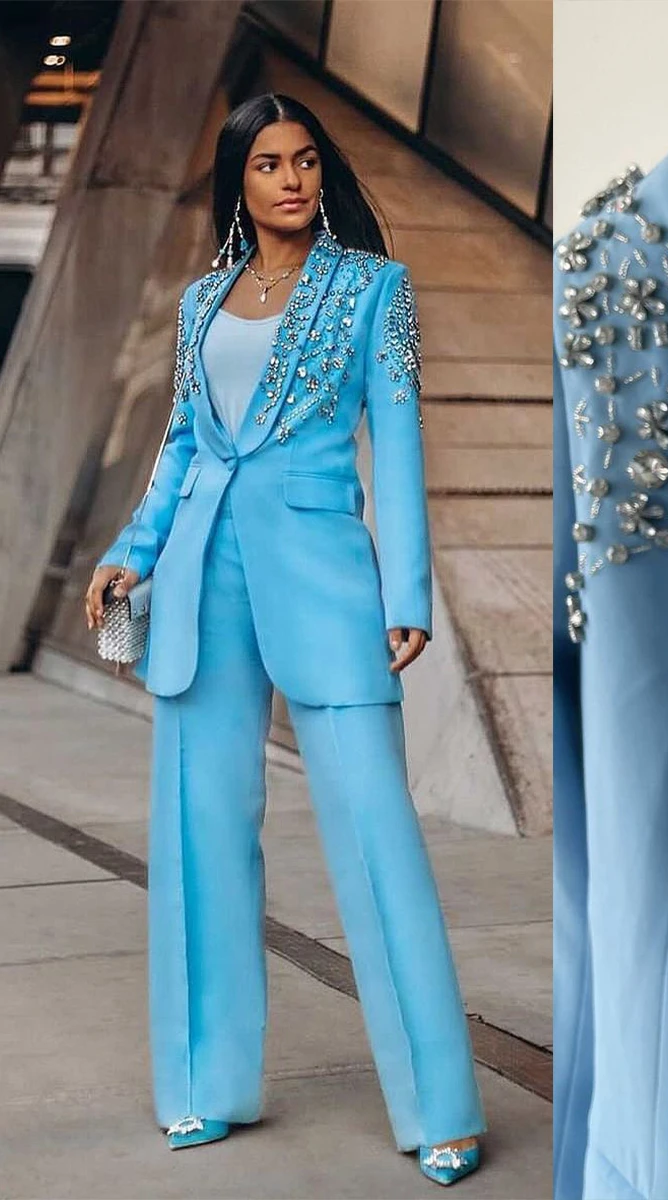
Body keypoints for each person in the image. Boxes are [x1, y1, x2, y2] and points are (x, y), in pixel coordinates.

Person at [82, 92, 484, 1186]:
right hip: (201, 578)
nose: (294, 180)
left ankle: (439, 1105)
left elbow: (395, 442)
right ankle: (206, 1087)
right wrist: (132, 549)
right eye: (269, 164)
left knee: (373, 829)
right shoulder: (202, 302)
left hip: (325, 579)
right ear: (240, 181)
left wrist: (408, 591)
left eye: (307, 161)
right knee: (200, 831)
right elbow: (181, 444)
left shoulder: (373, 290)